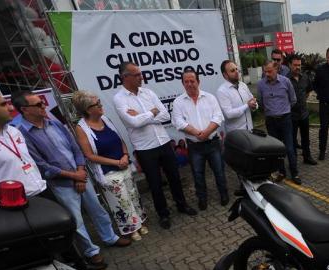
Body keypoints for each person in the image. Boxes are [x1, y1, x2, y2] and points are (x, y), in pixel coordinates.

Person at [14, 91, 131, 268]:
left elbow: (76, 149)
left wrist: (80, 171)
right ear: (24, 110)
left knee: (97, 209)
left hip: (81, 175)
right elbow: (41, 165)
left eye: (42, 103)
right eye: (38, 105)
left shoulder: (54, 123)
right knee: (76, 221)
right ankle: (91, 252)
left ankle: (110, 237)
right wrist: (73, 176)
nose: (44, 106)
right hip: (61, 183)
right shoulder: (23, 134)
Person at [113, 61, 197, 230]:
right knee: (155, 183)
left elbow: (165, 114)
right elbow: (134, 122)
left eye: (140, 73)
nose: (141, 77)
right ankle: (163, 214)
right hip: (145, 148)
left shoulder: (148, 92)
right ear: (125, 77)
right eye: (136, 75)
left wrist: (143, 116)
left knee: (174, 177)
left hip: (164, 142)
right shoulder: (119, 98)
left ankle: (182, 205)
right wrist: (152, 112)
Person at [72, 90, 148, 241]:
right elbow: (90, 155)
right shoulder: (81, 128)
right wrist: (116, 162)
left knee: (133, 195)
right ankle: (131, 228)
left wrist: (125, 156)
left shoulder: (106, 120)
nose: (101, 105)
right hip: (108, 171)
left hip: (123, 164)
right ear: (88, 109)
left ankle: (140, 222)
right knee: (121, 200)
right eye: (97, 104)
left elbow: (120, 140)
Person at [172, 70, 228, 211]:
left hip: (213, 142)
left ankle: (224, 194)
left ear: (198, 81)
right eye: (186, 81)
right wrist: (197, 133)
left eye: (192, 81)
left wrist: (207, 132)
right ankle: (202, 199)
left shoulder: (210, 98)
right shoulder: (178, 102)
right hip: (194, 146)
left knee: (219, 171)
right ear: (182, 83)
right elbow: (178, 122)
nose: (190, 84)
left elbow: (218, 117)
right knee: (197, 174)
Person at [0, 88, 46, 198]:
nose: (11, 108)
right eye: (3, 104)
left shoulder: (13, 131)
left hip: (41, 192)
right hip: (11, 207)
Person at [216, 60, 259, 196]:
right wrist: (247, 105)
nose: (236, 73)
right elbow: (229, 114)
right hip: (236, 134)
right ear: (225, 75)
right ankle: (245, 188)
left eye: (237, 69)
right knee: (241, 162)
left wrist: (254, 105)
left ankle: (252, 185)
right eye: (232, 71)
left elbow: (253, 101)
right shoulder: (222, 91)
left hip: (249, 129)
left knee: (250, 160)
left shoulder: (243, 85)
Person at [257, 60, 300, 184]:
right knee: (276, 149)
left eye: (270, 71)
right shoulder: (260, 85)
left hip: (285, 119)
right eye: (265, 72)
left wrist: (283, 110)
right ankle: (282, 172)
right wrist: (271, 111)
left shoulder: (286, 82)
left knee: (289, 148)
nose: (267, 74)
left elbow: (293, 100)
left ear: (277, 69)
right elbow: (260, 102)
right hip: (271, 121)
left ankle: (295, 173)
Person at [287, 54, 317, 165]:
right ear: (290, 65)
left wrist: (303, 99)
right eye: (295, 65)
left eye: (299, 65)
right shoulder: (285, 80)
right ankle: (293, 160)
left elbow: (308, 90)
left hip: (304, 114)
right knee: (292, 140)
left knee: (306, 138)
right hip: (291, 116)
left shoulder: (305, 77)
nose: (297, 67)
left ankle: (307, 157)